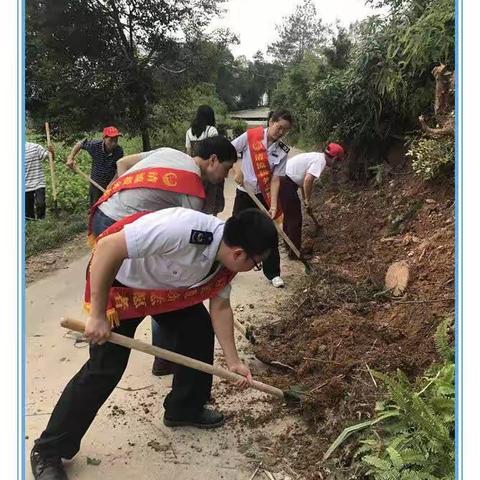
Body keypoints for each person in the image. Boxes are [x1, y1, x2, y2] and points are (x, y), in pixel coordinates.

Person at [31, 207, 278, 480]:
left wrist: (233, 362)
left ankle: (184, 408)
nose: (251, 269)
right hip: (121, 285)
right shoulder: (182, 230)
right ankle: (48, 450)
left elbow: (220, 307)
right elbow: (107, 248)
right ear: (239, 254)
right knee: (105, 369)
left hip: (164, 291)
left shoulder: (224, 262)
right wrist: (98, 315)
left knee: (197, 331)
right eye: (256, 263)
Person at [89, 135, 238, 376]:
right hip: (117, 230)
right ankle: (161, 354)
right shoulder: (193, 194)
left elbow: (123, 164)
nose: (226, 176)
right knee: (166, 290)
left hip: (102, 213)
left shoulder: (170, 152)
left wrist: (120, 193)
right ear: (213, 160)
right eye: (227, 168)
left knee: (158, 284)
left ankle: (161, 355)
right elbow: (189, 240)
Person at [231, 109, 293, 288]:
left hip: (263, 195)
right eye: (279, 127)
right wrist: (237, 170)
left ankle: (273, 273)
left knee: (270, 232)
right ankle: (227, 267)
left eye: (285, 130)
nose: (281, 132)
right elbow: (229, 151)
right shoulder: (251, 136)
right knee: (235, 229)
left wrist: (273, 205)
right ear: (271, 122)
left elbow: (275, 179)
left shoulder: (282, 151)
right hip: (245, 191)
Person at [279, 143, 345, 256]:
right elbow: (308, 181)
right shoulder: (321, 162)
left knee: (289, 216)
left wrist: (305, 200)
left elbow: (303, 182)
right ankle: (295, 252)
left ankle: (289, 247)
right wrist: (308, 201)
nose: (337, 164)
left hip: (282, 179)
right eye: (338, 161)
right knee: (295, 218)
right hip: (285, 182)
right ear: (334, 158)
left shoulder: (316, 156)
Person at [66, 126, 124, 206]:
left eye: (116, 140)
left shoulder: (119, 151)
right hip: (96, 181)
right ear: (104, 138)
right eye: (111, 140)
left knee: (110, 206)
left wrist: (112, 183)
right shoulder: (95, 145)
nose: (113, 143)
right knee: (94, 205)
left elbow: (118, 170)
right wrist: (70, 158)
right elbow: (80, 144)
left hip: (111, 182)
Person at [186, 105, 225, 216]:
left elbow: (188, 153)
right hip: (209, 170)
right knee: (212, 198)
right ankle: (212, 219)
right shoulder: (211, 130)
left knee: (197, 198)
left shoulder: (189, 132)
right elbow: (216, 151)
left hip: (195, 169)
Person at [25, 141, 55, 220]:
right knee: (28, 212)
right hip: (25, 185)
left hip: (38, 181)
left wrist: (52, 152)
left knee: (41, 204)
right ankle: (33, 225)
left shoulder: (35, 147)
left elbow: (50, 158)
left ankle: (42, 222)